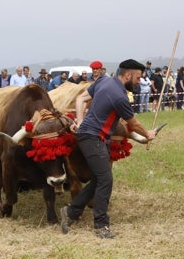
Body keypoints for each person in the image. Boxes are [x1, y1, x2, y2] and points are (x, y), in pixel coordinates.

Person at [60, 59, 156, 239]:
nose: (139, 81)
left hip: (94, 137)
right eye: (137, 77)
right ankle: (101, 225)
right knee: (106, 180)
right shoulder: (120, 97)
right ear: (128, 75)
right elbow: (133, 124)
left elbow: (81, 98)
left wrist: (80, 122)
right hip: (92, 139)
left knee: (98, 179)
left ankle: (71, 212)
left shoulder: (104, 80)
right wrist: (148, 134)